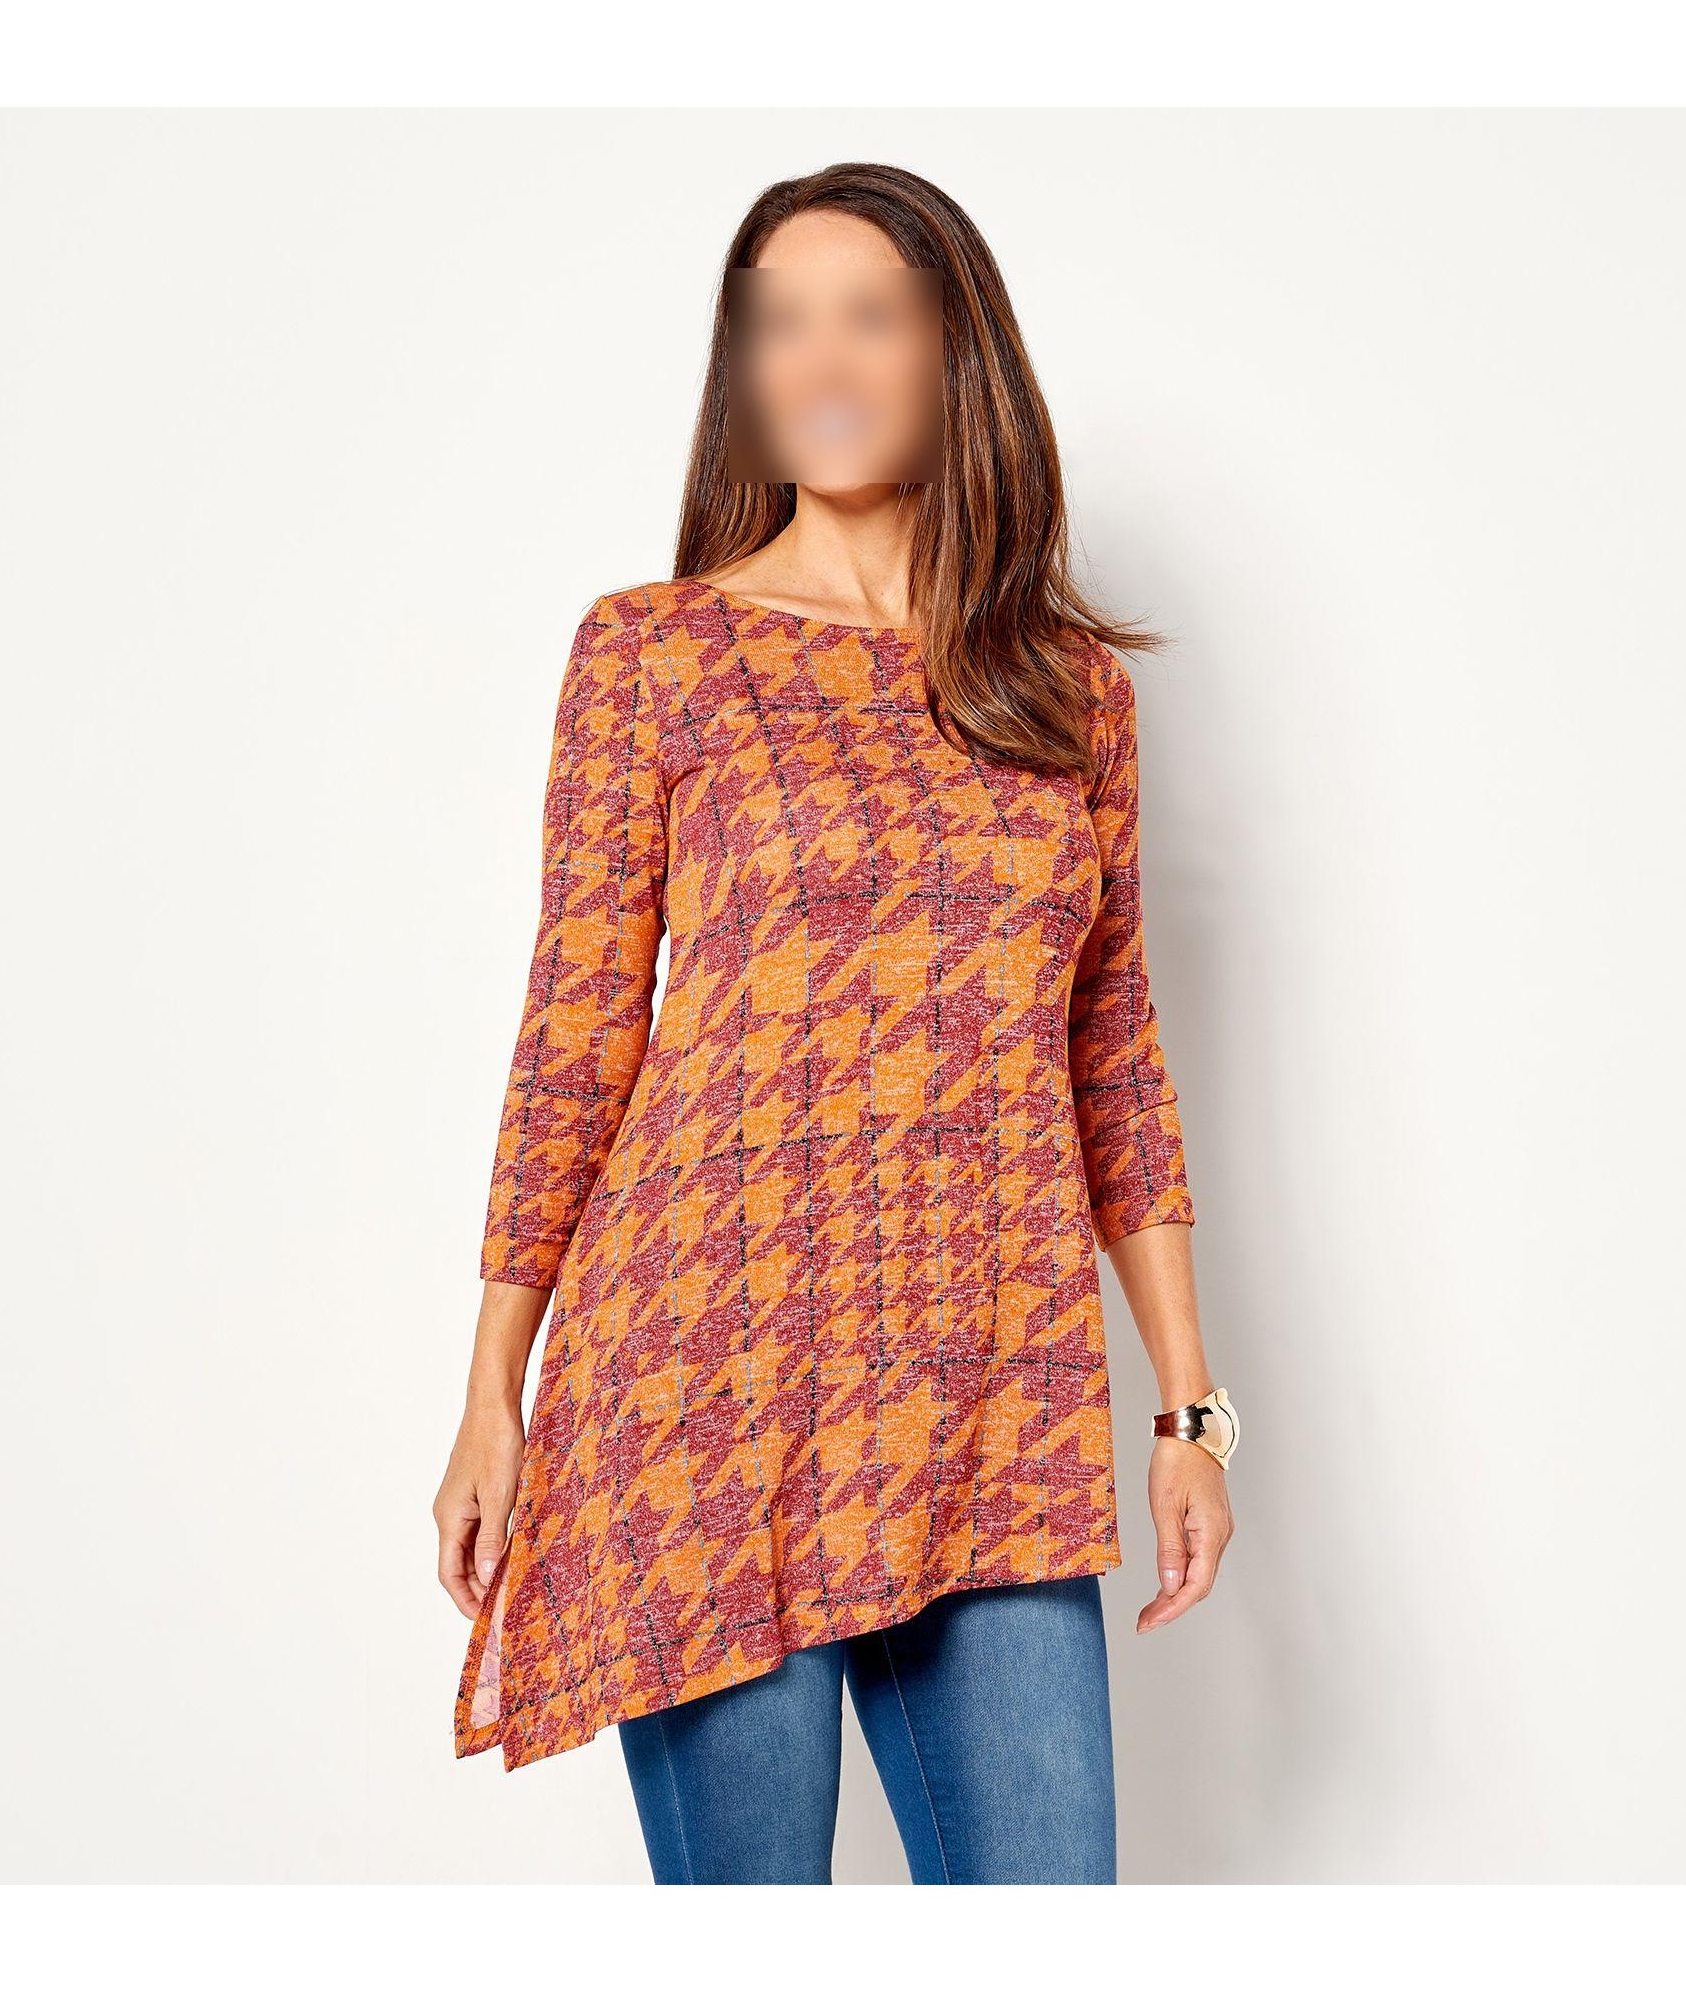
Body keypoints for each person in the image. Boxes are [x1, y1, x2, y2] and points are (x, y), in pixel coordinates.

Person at [433, 161, 1239, 1885]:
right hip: (702, 1386)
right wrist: (494, 1390)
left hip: (994, 1397)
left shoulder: (1068, 691)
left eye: (868, 316)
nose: (821, 361)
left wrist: (1189, 1410)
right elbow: (577, 1034)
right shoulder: (654, 655)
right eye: (779, 324)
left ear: (957, 351)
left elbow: (1113, 1057)